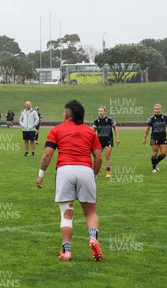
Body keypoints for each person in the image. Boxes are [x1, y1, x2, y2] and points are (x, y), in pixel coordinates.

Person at [35, 99, 103, 262]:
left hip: (65, 170)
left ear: (66, 115)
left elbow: (47, 154)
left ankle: (67, 251)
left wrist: (40, 175)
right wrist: (93, 174)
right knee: (91, 212)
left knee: (66, 214)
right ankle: (93, 238)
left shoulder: (57, 130)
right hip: (85, 170)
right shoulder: (90, 132)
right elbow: (99, 156)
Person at [142, 103, 167, 173]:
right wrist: (144, 138)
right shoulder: (151, 118)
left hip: (163, 137)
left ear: (160, 110)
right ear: (154, 110)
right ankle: (154, 168)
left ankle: (156, 163)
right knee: (155, 152)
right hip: (154, 137)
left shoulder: (165, 117)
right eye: (155, 109)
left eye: (158, 109)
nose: (157, 110)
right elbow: (147, 128)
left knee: (164, 153)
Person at [93, 106, 120, 178]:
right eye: (99, 111)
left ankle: (108, 172)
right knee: (97, 156)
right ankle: (98, 168)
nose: (100, 112)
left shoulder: (109, 120)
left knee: (107, 155)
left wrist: (117, 137)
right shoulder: (96, 121)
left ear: (105, 112)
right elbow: (93, 132)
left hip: (108, 140)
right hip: (99, 140)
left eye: (102, 111)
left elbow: (115, 128)